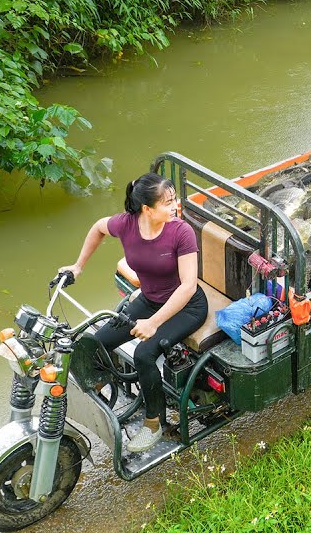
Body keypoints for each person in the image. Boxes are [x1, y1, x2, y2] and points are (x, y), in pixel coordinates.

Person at [59, 173, 207, 453]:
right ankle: (104, 388)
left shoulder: (180, 232)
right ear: (147, 209)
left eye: (174, 200)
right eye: (168, 203)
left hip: (186, 307)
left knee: (144, 354)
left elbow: (188, 286)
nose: (175, 207)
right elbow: (98, 228)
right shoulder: (126, 224)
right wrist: (78, 266)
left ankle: (154, 423)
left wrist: (153, 322)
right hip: (150, 300)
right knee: (94, 344)